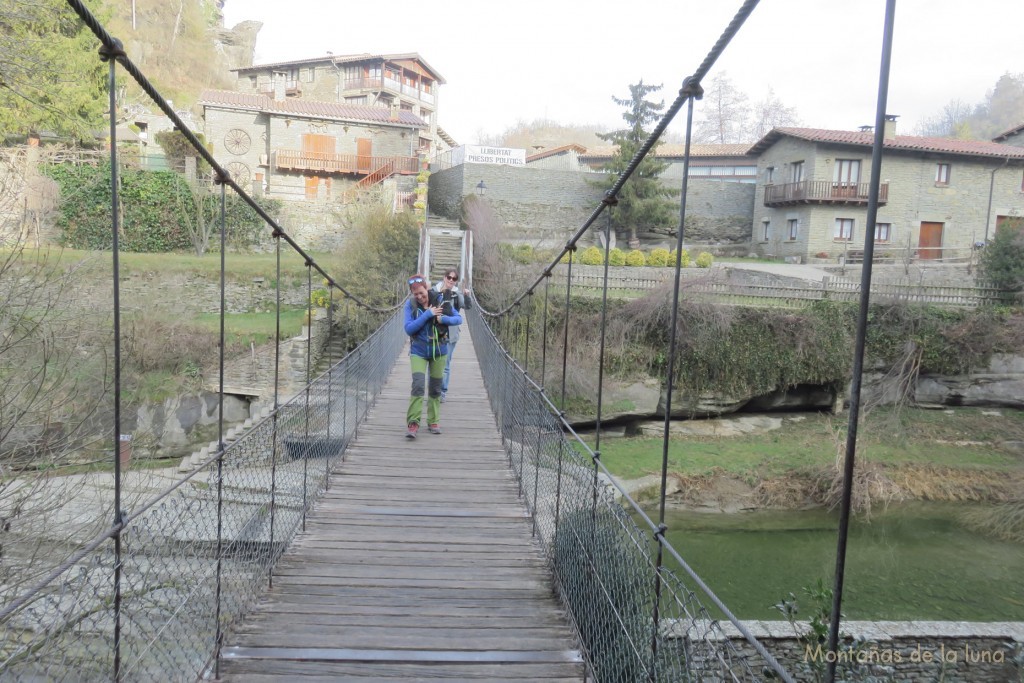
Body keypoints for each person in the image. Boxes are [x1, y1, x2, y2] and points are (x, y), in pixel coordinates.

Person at [404, 274, 462, 438]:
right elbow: (408, 329)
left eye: (422, 293)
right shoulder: (410, 305)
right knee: (418, 385)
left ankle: (433, 421)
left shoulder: (441, 301)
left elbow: (458, 319)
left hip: (439, 351)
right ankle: (413, 423)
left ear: (427, 289)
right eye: (416, 295)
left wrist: (442, 318)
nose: (420, 297)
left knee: (436, 387)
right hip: (419, 351)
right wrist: (427, 314)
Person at [432, 268, 471, 402]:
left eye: (454, 279)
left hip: (450, 334)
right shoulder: (433, 291)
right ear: (444, 277)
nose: (451, 280)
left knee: (445, 364)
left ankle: (441, 391)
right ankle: (434, 390)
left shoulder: (457, 294)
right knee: (433, 362)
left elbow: (467, 307)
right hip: (434, 333)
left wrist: (467, 296)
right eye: (449, 277)